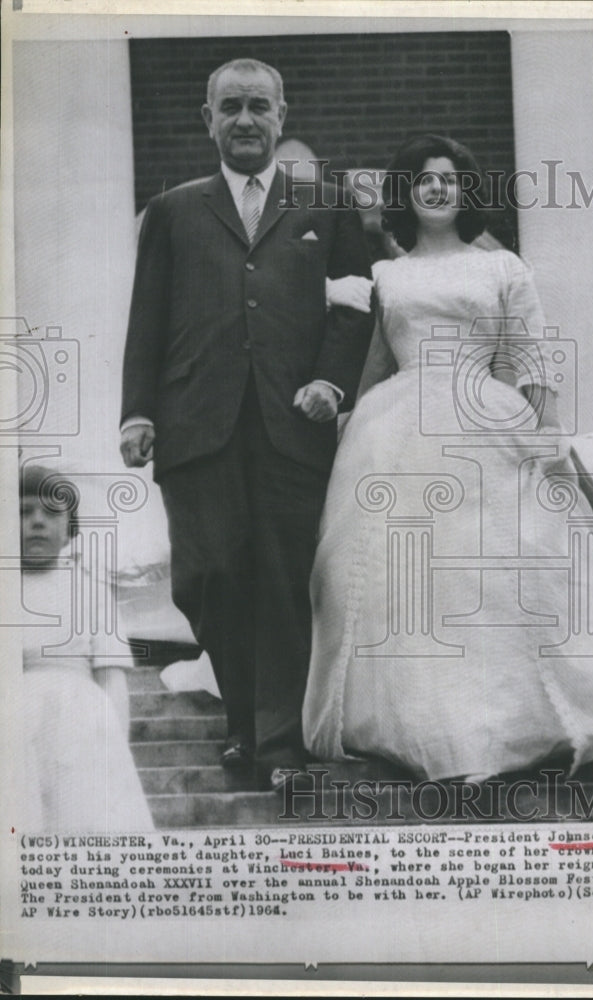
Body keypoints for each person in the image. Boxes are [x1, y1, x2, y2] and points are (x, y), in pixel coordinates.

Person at [303, 134, 593, 783]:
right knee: (407, 572)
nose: (436, 188)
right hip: (397, 428)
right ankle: (420, 718)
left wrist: (545, 427)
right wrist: (346, 432)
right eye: (422, 180)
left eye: (448, 179)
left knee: (491, 565)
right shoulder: (387, 276)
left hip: (484, 416)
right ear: (404, 196)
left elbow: (530, 352)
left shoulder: (502, 268)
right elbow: (376, 363)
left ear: (464, 192)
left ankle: (511, 716)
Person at [120, 58, 373, 790]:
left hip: (291, 425)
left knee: (280, 579)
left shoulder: (324, 206)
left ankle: (279, 744)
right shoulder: (172, 211)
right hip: (195, 426)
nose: (244, 121)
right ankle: (243, 717)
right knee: (207, 577)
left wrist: (330, 380)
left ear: (281, 116)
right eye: (229, 107)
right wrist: (137, 412)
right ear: (208, 121)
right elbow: (147, 321)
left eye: (258, 107)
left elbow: (353, 311)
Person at [19, 466, 154, 831]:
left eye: (50, 513)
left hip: (81, 721)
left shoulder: (90, 589)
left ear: (69, 529)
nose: (36, 522)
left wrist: (114, 746)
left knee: (84, 815)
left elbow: (111, 675)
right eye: (23, 512)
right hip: (15, 724)